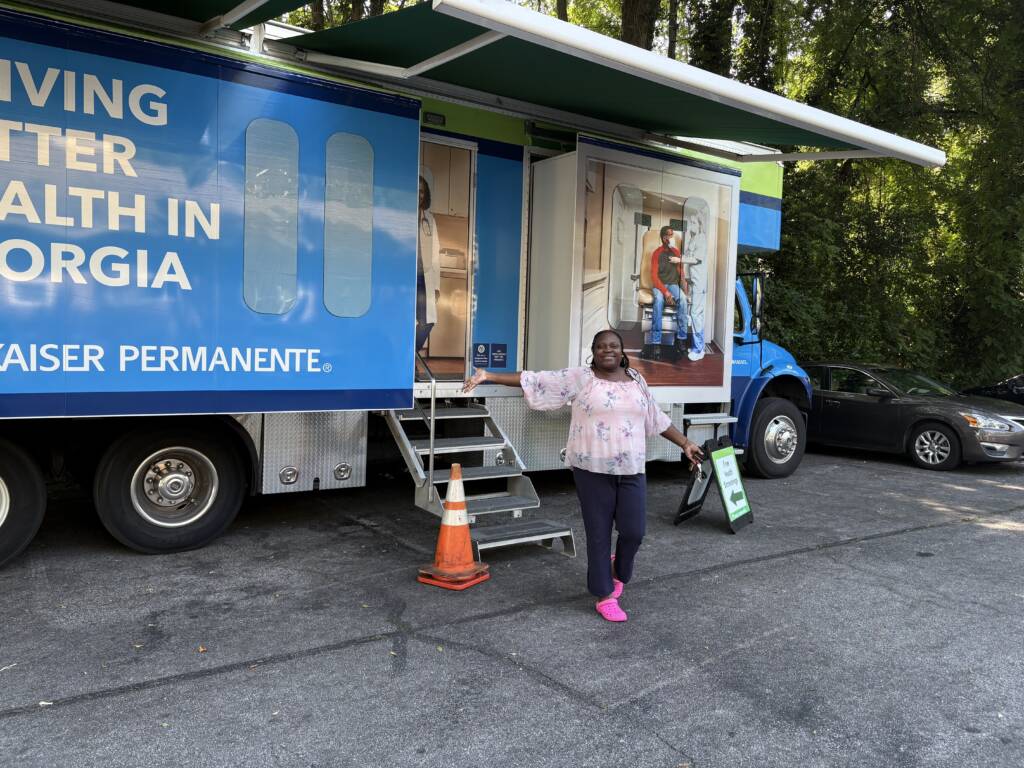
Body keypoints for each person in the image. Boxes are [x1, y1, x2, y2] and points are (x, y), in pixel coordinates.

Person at [464, 329, 704, 623]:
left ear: (622, 350)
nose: (608, 351)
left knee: (634, 531)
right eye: (601, 346)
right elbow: (537, 379)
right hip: (591, 470)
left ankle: (620, 570)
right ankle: (604, 594)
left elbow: (656, 419)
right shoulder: (581, 378)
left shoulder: (637, 380)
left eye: (613, 346)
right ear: (593, 351)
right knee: (599, 533)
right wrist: (488, 375)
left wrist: (686, 444)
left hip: (631, 470)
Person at [648, 226, 687, 361]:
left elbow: (681, 272)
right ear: (663, 237)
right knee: (658, 301)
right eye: (668, 235)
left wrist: (684, 288)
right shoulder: (656, 253)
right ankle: (656, 343)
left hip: (673, 285)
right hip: (660, 285)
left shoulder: (676, 252)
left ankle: (681, 339)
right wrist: (666, 293)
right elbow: (653, 276)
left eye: (672, 235)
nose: (671, 237)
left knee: (682, 300)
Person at [416, 173, 442, 352]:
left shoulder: (430, 219)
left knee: (428, 322)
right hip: (404, 279)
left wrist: (437, 286)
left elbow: (435, 255)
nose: (419, 194)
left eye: (422, 191)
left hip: (424, 278)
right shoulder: (400, 215)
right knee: (406, 321)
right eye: (416, 190)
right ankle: (409, 363)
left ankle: (410, 356)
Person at [682, 213, 707, 361]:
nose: (691, 225)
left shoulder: (701, 238)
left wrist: (680, 259)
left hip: (699, 282)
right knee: (695, 314)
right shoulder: (693, 239)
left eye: (693, 223)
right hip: (693, 281)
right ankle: (698, 346)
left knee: (696, 314)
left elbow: (696, 259)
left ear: (699, 224)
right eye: (690, 223)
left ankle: (699, 349)